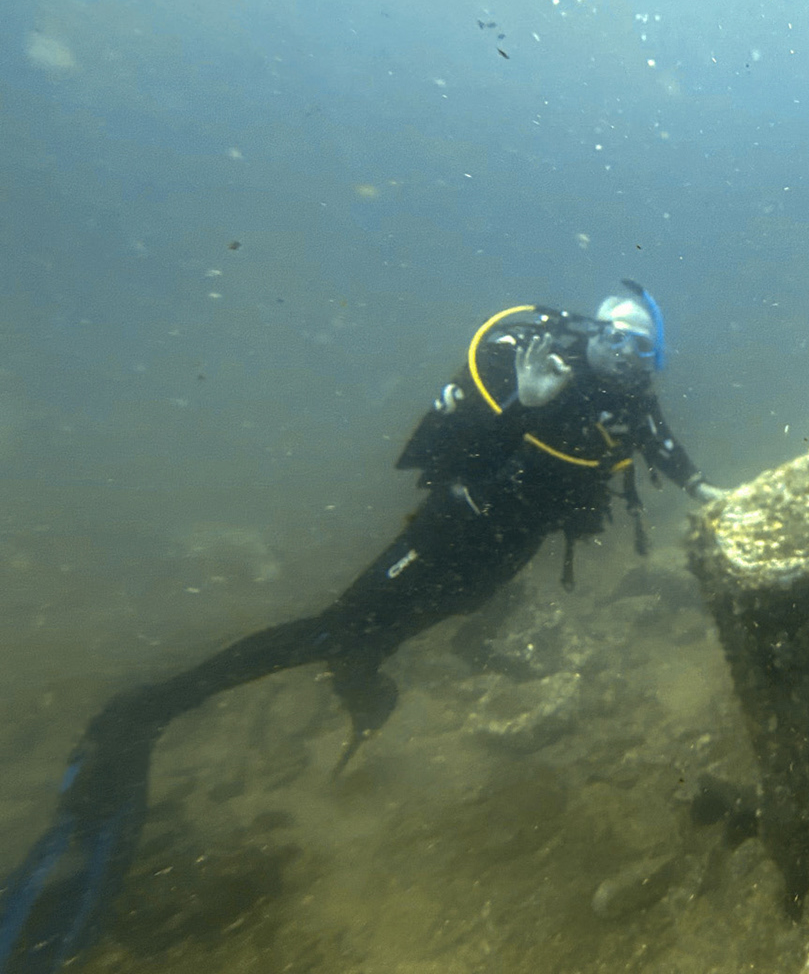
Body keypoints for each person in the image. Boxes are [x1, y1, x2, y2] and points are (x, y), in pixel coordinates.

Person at [0, 283, 721, 974]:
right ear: (593, 331)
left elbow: (658, 440)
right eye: (619, 336)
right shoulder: (529, 367)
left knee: (386, 637)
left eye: (645, 346)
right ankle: (149, 708)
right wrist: (525, 407)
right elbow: (451, 464)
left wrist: (697, 488)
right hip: (444, 536)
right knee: (336, 629)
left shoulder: (629, 398)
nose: (630, 354)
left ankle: (360, 677)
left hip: (496, 561)